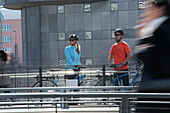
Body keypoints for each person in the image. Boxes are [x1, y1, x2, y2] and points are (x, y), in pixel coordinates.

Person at [135, 0, 170, 112]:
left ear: (159, 10)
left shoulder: (161, 31)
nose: (144, 14)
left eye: (148, 9)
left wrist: (142, 39)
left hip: (158, 97)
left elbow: (153, 61)